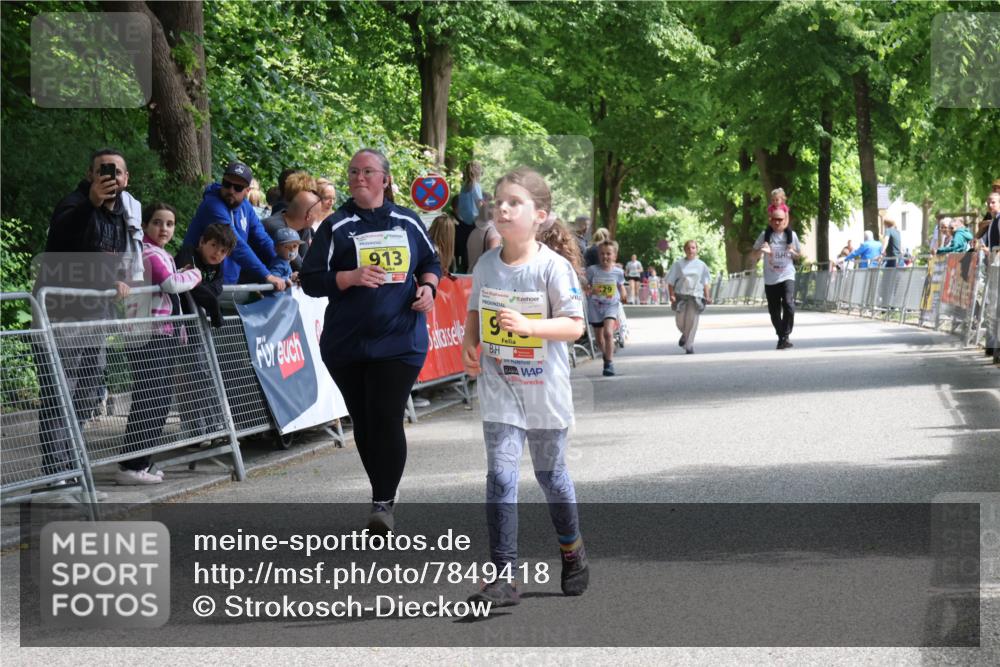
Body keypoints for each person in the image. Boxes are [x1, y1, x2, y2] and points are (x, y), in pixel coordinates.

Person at [461, 167, 588, 608]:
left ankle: (572, 553)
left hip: (543, 390)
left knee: (551, 478)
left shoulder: (554, 268)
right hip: (501, 388)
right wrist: (469, 346)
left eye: (514, 202)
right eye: (499, 200)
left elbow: (575, 327)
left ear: (541, 216)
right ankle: (503, 577)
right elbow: (476, 313)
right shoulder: (485, 265)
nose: (503, 207)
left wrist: (530, 327)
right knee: (500, 476)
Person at [300, 148, 441, 534]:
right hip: (346, 343)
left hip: (400, 340)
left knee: (385, 415)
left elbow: (431, 263)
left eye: (367, 171)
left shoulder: (406, 222)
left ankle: (383, 502)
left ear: (385, 179)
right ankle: (380, 495)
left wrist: (428, 288)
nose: (359, 177)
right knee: (363, 421)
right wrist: (348, 277)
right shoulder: (337, 226)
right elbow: (311, 280)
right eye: (353, 172)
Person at [34, 148, 139, 480]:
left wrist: (119, 278)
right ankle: (54, 476)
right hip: (61, 318)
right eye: (102, 170)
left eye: (117, 171)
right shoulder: (74, 204)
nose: (111, 176)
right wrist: (89, 203)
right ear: (89, 175)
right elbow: (59, 243)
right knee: (58, 393)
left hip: (97, 319)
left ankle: (72, 465)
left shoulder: (121, 216)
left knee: (88, 394)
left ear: (126, 179)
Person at [119, 203, 202, 484]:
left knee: (159, 398)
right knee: (151, 398)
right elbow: (169, 284)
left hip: (164, 334)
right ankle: (132, 464)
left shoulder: (163, 253)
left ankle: (142, 460)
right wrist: (195, 274)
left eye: (169, 223)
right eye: (157, 222)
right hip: (149, 333)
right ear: (145, 225)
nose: (163, 228)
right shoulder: (147, 252)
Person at [182, 161, 287, 293]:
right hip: (200, 284)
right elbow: (236, 245)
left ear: (247, 191)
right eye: (227, 184)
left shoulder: (246, 207)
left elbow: (263, 240)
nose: (231, 190)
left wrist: (284, 268)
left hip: (226, 284)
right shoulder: (213, 206)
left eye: (238, 187)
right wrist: (267, 276)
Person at [751, 208, 801, 349]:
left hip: (787, 275)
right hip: (771, 278)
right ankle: (782, 337)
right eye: (775, 219)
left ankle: (785, 334)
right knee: (774, 310)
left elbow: (799, 255)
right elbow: (753, 256)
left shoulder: (792, 236)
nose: (778, 222)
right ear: (770, 221)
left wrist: (793, 253)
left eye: (781, 219)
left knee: (789, 305)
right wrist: (762, 250)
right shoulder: (764, 235)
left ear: (785, 220)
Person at [262, 171, 320, 273]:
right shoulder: (276, 227)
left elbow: (305, 262)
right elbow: (301, 266)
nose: (313, 197)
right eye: (310, 194)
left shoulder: (304, 227)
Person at [586, 240, 628, 376]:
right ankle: (606, 355)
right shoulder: (592, 270)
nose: (605, 257)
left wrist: (623, 294)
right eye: (602, 254)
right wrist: (588, 289)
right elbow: (586, 285)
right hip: (595, 306)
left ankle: (609, 363)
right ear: (599, 255)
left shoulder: (618, 272)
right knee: (599, 339)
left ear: (614, 256)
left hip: (611, 305)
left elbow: (620, 285)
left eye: (608, 254)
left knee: (608, 333)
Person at [666, 240, 713, 354]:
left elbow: (705, 282)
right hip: (681, 296)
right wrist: (671, 295)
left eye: (693, 248)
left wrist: (708, 296)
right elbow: (670, 281)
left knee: (692, 321)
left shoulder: (702, 265)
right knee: (680, 322)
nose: (691, 250)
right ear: (685, 250)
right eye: (688, 248)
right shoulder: (678, 264)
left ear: (696, 250)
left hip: (695, 296)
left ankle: (689, 345)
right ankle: (685, 335)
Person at [455, 161, 484, 272]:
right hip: (474, 223)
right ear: (478, 172)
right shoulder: (476, 186)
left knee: (465, 251)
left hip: (463, 222)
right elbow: (479, 204)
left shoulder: (464, 187)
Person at [467, 193, 501, 273]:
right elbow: (493, 261)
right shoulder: (493, 233)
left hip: (471, 274)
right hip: (485, 279)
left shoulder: (473, 232)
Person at [266, 226, 304, 295]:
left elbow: (283, 274)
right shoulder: (279, 264)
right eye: (286, 247)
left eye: (295, 246)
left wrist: (291, 276)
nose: (292, 250)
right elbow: (275, 279)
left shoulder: (285, 262)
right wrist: (286, 279)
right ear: (276, 249)